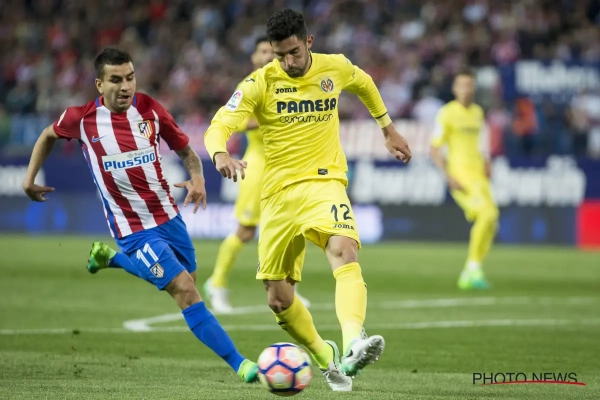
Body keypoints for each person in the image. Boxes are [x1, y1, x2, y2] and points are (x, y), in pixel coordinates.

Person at [22, 47, 259, 383]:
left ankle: (111, 259)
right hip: (132, 228)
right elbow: (48, 135)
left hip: (169, 217)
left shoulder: (150, 110)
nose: (125, 86)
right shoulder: (82, 119)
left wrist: (198, 178)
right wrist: (29, 179)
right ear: (99, 84)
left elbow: (187, 152)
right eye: (116, 80)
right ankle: (242, 364)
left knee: (188, 277)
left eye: (130, 78)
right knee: (185, 290)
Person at [204, 9, 412, 392]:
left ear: (308, 41)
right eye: (279, 55)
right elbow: (220, 124)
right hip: (278, 196)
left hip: (324, 181)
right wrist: (219, 153)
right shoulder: (259, 82)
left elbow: (364, 82)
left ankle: (354, 342)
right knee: (278, 298)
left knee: (344, 250)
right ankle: (325, 356)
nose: (288, 62)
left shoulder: (335, 67)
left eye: (294, 52)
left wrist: (387, 129)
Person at [203, 36, 311, 313]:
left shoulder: (288, 81)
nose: (267, 56)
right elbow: (236, 121)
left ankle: (291, 288)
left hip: (288, 166)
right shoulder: (250, 85)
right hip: (259, 165)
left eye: (270, 51)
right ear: (254, 57)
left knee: (296, 228)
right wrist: (272, 116)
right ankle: (217, 283)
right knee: (246, 230)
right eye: (262, 51)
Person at [430, 66, 499, 290]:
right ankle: (472, 268)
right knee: (487, 214)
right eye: (462, 85)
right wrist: (447, 175)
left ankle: (473, 269)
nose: (466, 89)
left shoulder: (478, 113)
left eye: (469, 85)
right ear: (454, 88)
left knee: (492, 220)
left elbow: (482, 143)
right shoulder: (447, 113)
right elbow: (435, 148)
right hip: (461, 176)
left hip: (479, 176)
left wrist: (487, 162)